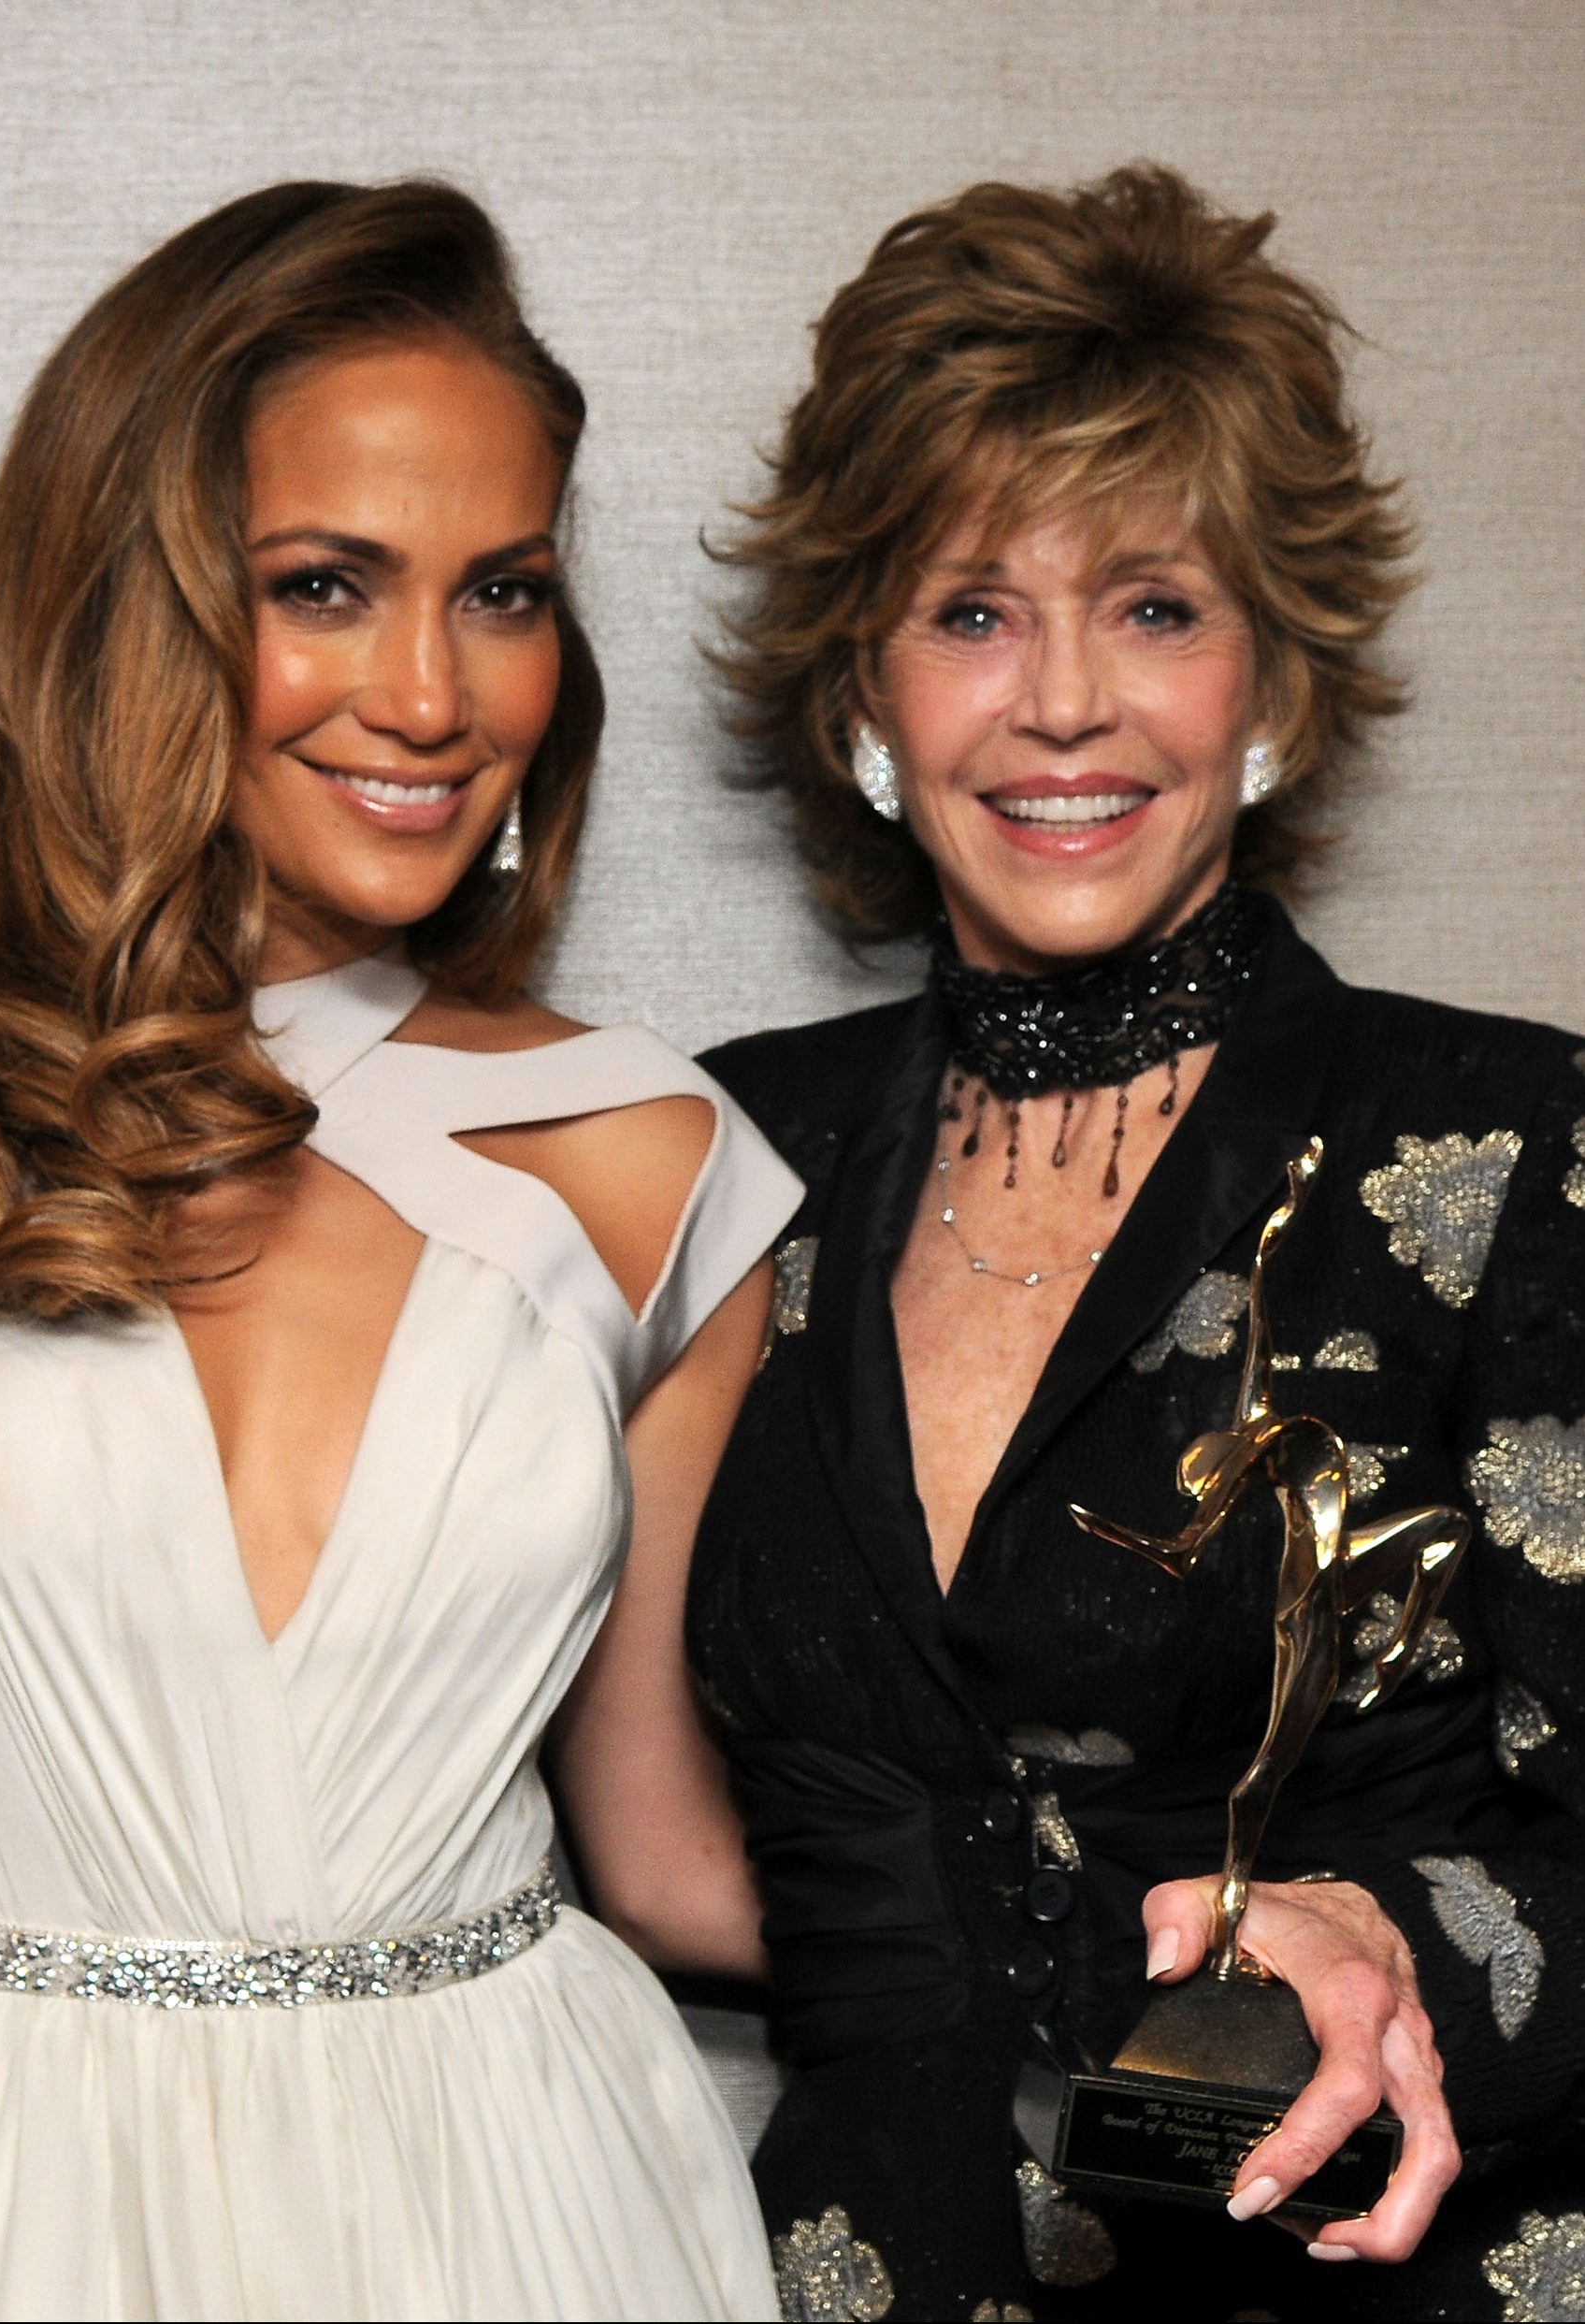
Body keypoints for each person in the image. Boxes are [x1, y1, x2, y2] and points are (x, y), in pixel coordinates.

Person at [0, 179, 798, 2321]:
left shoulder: (654, 1163)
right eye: (326, 585)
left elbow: (660, 1850)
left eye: (506, 591)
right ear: (125, 601)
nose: (433, 692)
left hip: (514, 2204)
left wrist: (1173, 1923)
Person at [665, 166, 1584, 2318]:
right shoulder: (720, 1148)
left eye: (1157, 606)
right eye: (973, 610)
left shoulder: (1513, 1140)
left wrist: (1384, 1937)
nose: (1066, 702)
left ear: (1268, 673)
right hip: (864, 2263)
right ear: (861, 696)